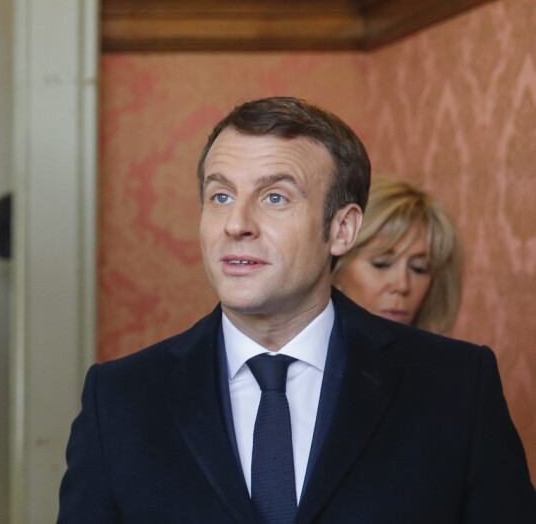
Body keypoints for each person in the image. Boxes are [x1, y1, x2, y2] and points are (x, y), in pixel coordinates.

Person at [57, 97, 536, 523]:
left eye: (274, 197)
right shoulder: (119, 399)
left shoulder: (455, 384)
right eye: (220, 196)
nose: (237, 224)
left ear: (342, 230)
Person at [332, 176, 463, 336]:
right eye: (382, 264)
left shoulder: (454, 360)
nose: (402, 286)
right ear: (336, 268)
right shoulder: (301, 355)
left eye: (419, 269)